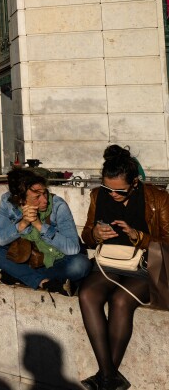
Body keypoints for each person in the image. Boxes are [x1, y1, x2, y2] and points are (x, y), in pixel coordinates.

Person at [76, 145, 169, 390]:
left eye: (120, 190)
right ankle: (109, 378)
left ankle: (106, 378)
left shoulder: (158, 198)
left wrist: (138, 236)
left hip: (147, 266)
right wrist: (95, 233)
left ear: (135, 183)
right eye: (108, 188)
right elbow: (86, 235)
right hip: (109, 264)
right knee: (86, 294)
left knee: (120, 301)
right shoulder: (98, 195)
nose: (113, 194)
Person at [0, 169, 89, 293]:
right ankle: (43, 281)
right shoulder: (8, 202)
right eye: (37, 197)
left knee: (81, 265)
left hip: (56, 261)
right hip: (26, 258)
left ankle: (21, 276)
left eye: (45, 193)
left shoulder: (58, 206)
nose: (44, 200)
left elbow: (73, 248)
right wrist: (21, 225)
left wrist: (40, 226)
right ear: (21, 200)